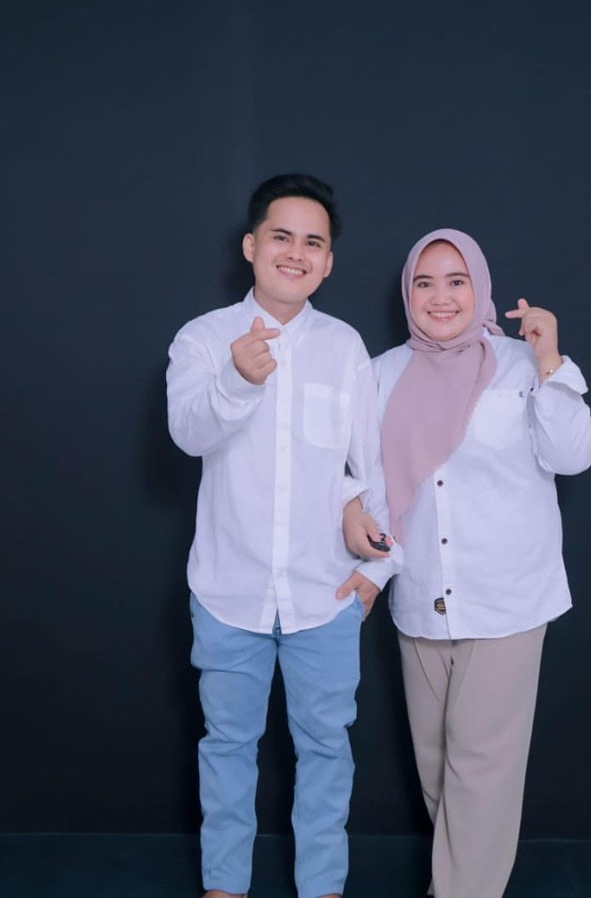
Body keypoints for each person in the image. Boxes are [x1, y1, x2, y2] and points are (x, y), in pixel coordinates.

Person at [344, 228, 591, 898]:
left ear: (479, 288)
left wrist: (550, 360)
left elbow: (572, 455)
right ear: (407, 294)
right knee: (439, 770)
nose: (440, 296)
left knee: (480, 770)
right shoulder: (380, 373)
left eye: (456, 281)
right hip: (419, 595)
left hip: (506, 597)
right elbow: (365, 481)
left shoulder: (520, 363)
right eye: (424, 282)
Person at [166, 174, 401, 898]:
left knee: (326, 748)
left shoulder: (344, 347)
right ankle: (223, 886)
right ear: (250, 246)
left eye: (312, 242)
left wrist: (375, 575)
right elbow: (187, 434)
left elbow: (369, 467)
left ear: (327, 262)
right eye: (281, 236)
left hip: (323, 596)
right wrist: (238, 379)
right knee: (227, 746)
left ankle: (322, 887)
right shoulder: (204, 338)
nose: (295, 253)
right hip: (227, 590)